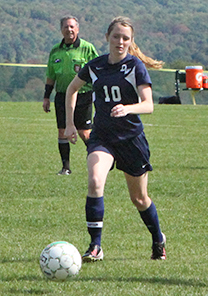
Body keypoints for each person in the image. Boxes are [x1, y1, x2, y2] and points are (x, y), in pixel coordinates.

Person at [65, 16, 166, 262]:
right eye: (116, 37)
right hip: (103, 137)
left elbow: (148, 105)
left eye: (125, 38)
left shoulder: (135, 67)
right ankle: (95, 246)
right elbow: (71, 89)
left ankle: (158, 239)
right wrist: (70, 124)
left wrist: (128, 108)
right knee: (95, 181)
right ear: (107, 37)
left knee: (139, 199)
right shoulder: (96, 66)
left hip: (131, 139)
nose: (120, 42)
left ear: (131, 42)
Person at [43, 16, 99, 175]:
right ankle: (65, 167)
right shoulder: (55, 51)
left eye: (72, 27)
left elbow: (98, 71)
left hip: (83, 95)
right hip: (61, 96)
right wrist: (46, 97)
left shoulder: (87, 48)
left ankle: (100, 160)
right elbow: (50, 75)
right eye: (66, 27)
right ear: (61, 30)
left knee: (84, 132)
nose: (69, 30)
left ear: (78, 29)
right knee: (62, 131)